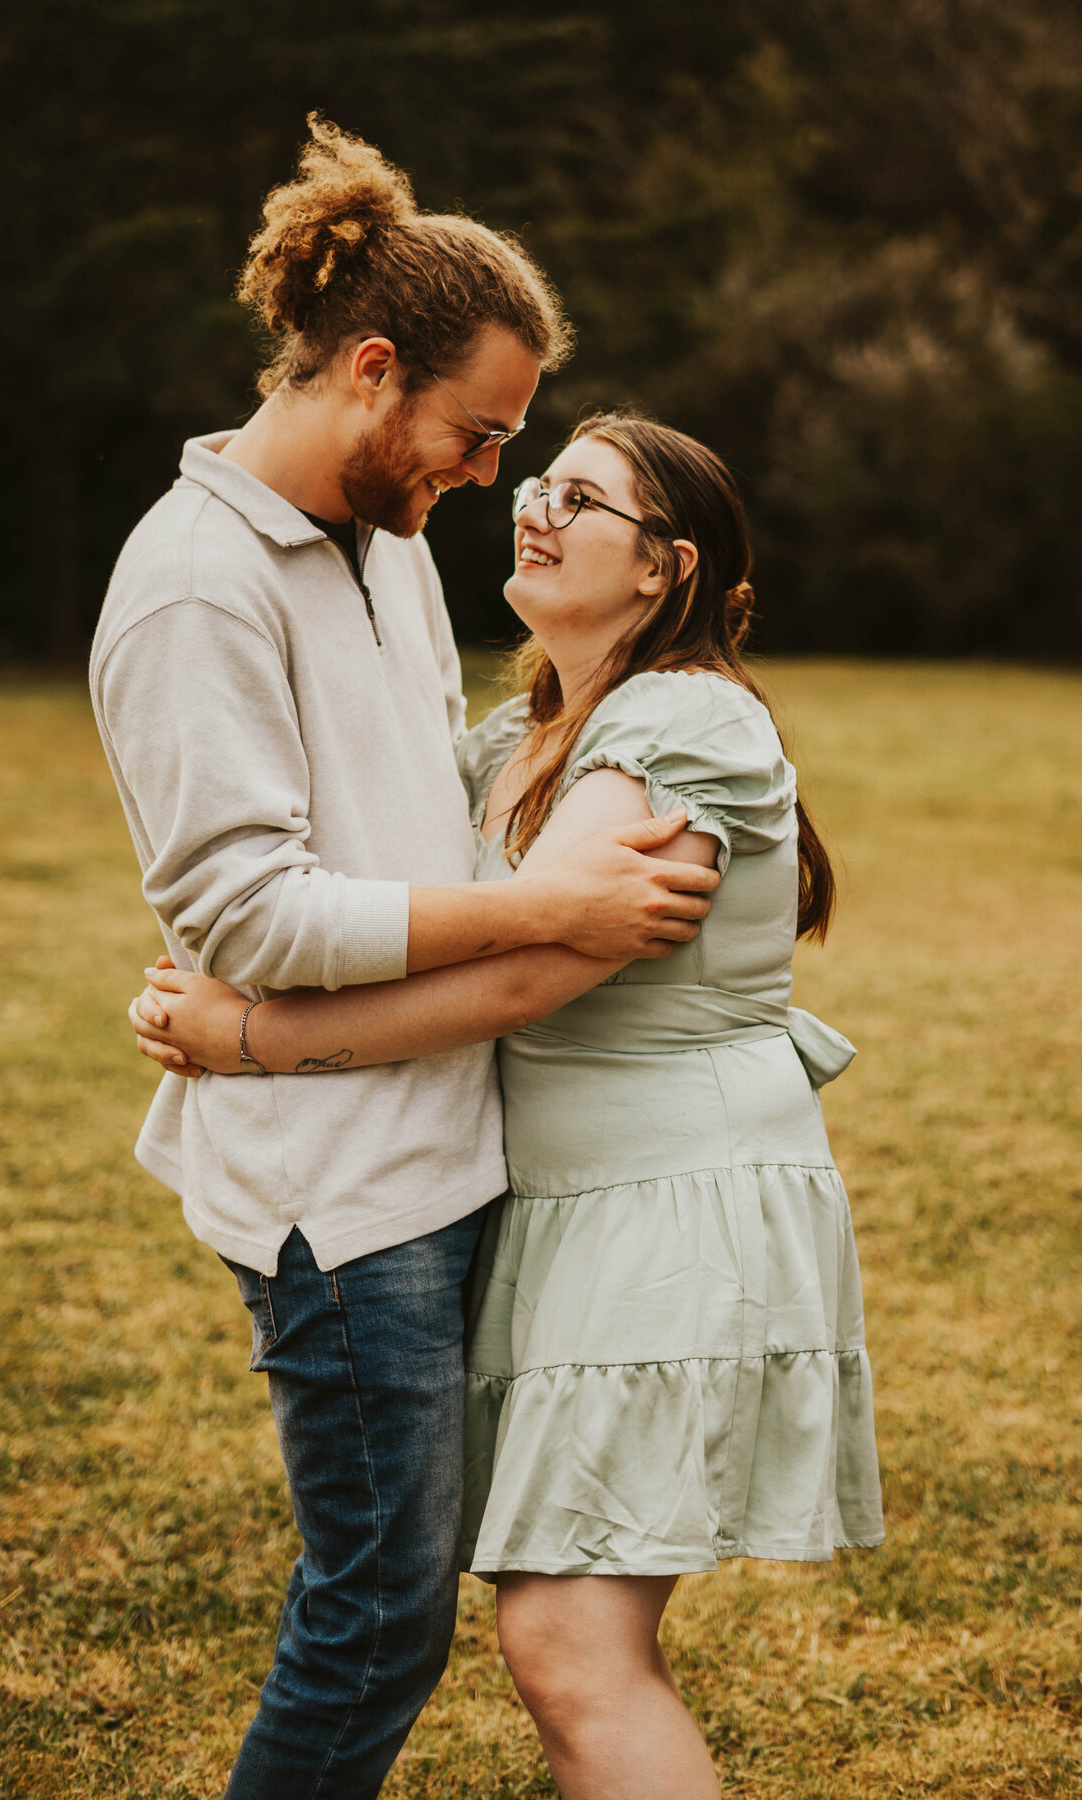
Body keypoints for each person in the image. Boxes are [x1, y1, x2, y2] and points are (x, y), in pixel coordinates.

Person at [91, 117, 719, 1800]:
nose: (489, 474)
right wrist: (548, 917)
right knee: (376, 1614)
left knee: (405, 1594)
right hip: (336, 1191)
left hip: (444, 1144)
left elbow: (422, 806)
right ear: (374, 370)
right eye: (478, 432)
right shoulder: (193, 589)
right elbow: (256, 916)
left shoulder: (382, 547)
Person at [132, 410, 886, 1800]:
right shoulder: (532, 732)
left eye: (579, 498)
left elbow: (524, 976)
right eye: (537, 481)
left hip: (675, 1207)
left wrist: (257, 1035)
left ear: (663, 568)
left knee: (569, 1642)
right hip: (578, 1209)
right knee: (560, 1639)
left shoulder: (682, 719)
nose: (531, 506)